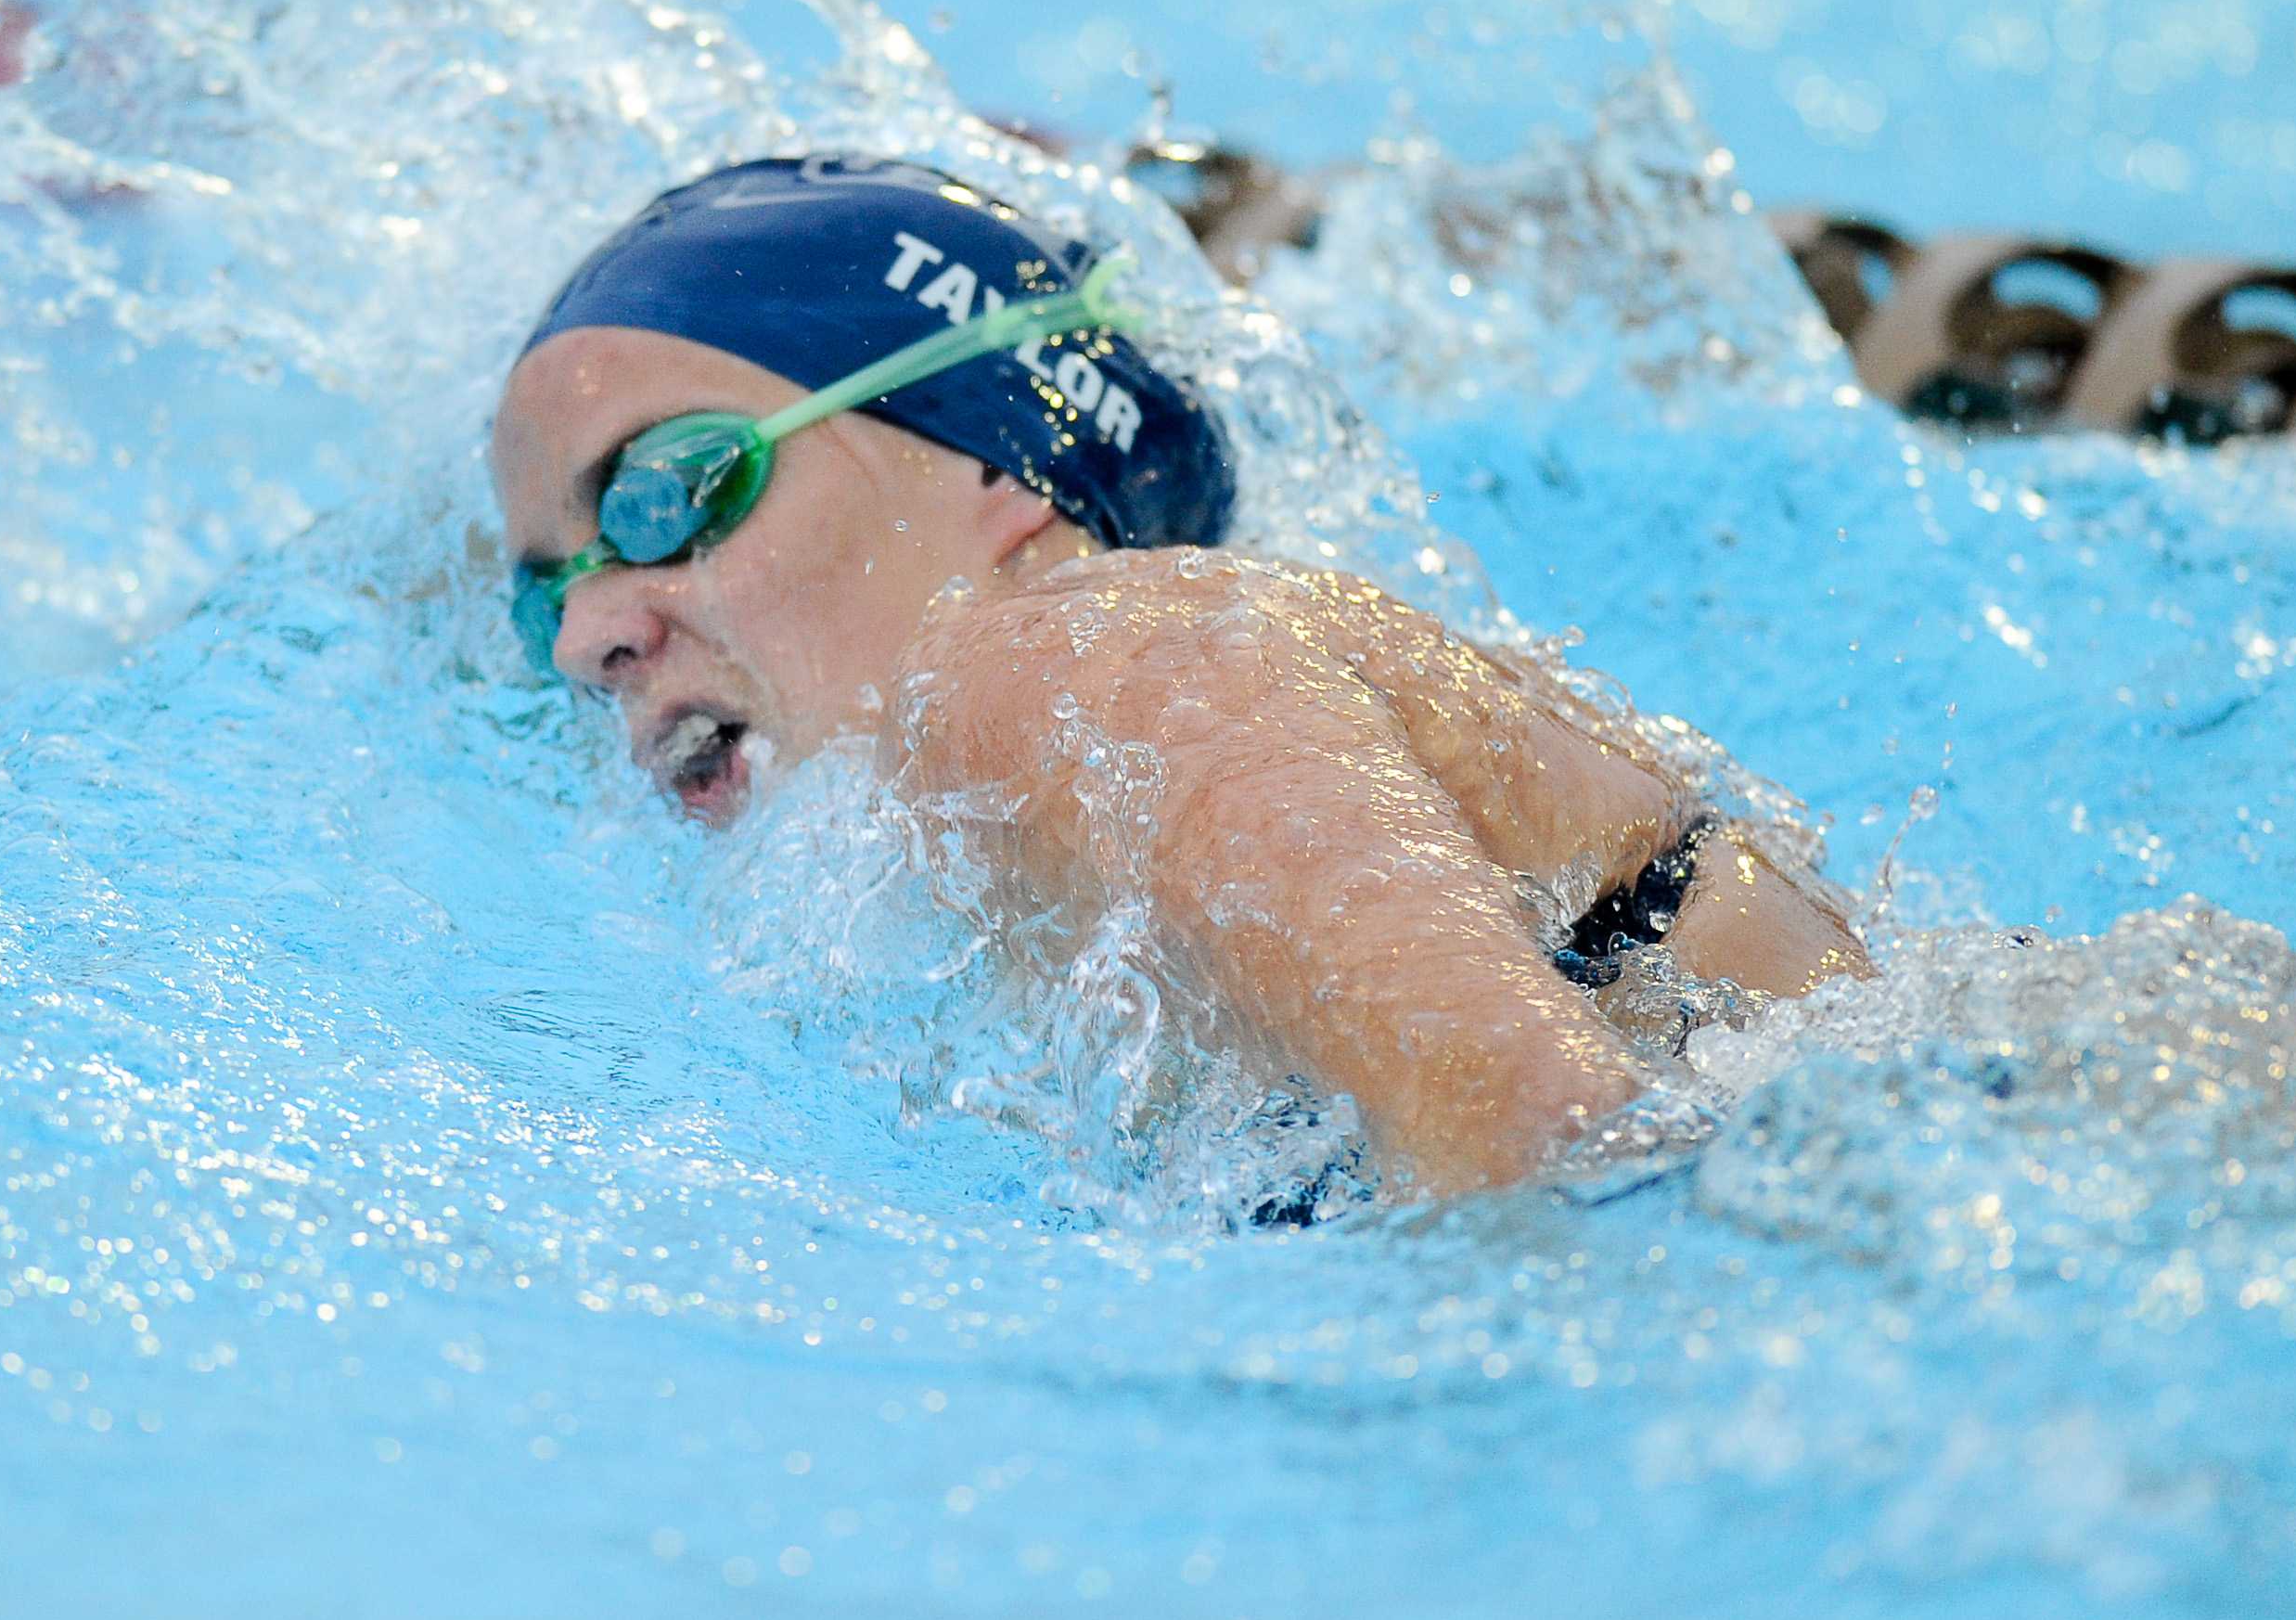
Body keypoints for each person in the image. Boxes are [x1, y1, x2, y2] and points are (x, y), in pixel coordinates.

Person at [493, 154, 1871, 1199]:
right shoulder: (1020, 816)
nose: (585, 635)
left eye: (667, 491)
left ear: (999, 474)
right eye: (543, 583)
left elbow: (1549, 1133)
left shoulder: (1058, 655)